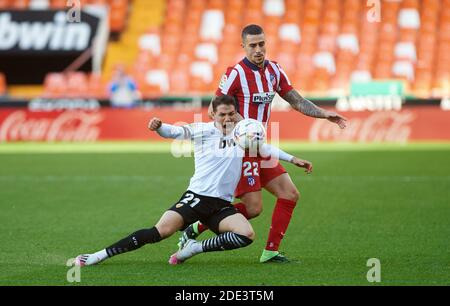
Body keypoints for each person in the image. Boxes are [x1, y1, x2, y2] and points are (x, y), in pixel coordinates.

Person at [74, 95, 313, 266]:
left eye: (232, 113)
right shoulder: (204, 130)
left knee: (245, 235)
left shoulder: (243, 131)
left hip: (221, 204)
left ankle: (194, 248)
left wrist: (293, 159)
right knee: (159, 232)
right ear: (213, 114)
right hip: (196, 198)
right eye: (223, 114)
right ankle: (100, 255)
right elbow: (175, 132)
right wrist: (159, 128)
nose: (228, 118)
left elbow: (263, 146)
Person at [177, 24, 347, 263]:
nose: (258, 50)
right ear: (243, 46)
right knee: (254, 208)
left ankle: (270, 251)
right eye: (252, 45)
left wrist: (324, 114)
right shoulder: (235, 73)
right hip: (241, 150)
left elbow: (296, 100)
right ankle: (196, 227)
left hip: (260, 147)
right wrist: (241, 124)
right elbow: (211, 110)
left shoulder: (275, 70)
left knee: (290, 194)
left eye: (261, 44)